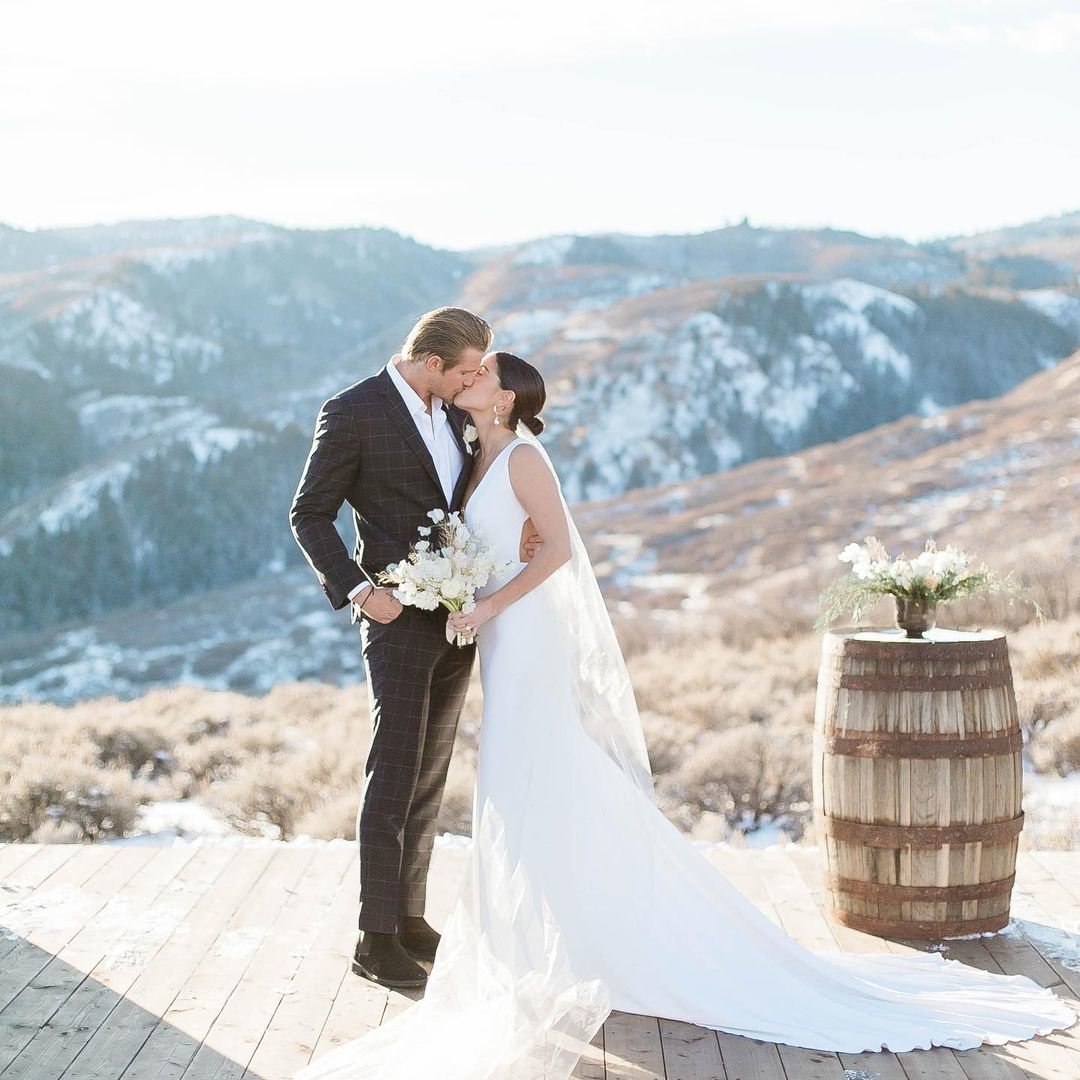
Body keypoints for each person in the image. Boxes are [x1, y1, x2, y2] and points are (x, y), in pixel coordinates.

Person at [295, 351, 1077, 1079]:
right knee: (519, 783)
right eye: (466, 366)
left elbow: (557, 551)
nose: (470, 376)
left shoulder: (524, 456)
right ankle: (548, 935)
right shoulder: (476, 451)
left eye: (483, 371)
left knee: (532, 772)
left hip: (520, 636)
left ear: (503, 397)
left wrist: (490, 600)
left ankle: (571, 940)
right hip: (492, 636)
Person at [289, 308, 540, 991]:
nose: (473, 380)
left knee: (430, 777)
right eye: (465, 369)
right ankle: (374, 939)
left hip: (457, 619)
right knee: (393, 774)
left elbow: (475, 496)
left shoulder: (458, 414)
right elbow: (308, 513)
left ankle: (409, 918)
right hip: (396, 618)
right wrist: (362, 593)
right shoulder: (353, 411)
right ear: (431, 363)